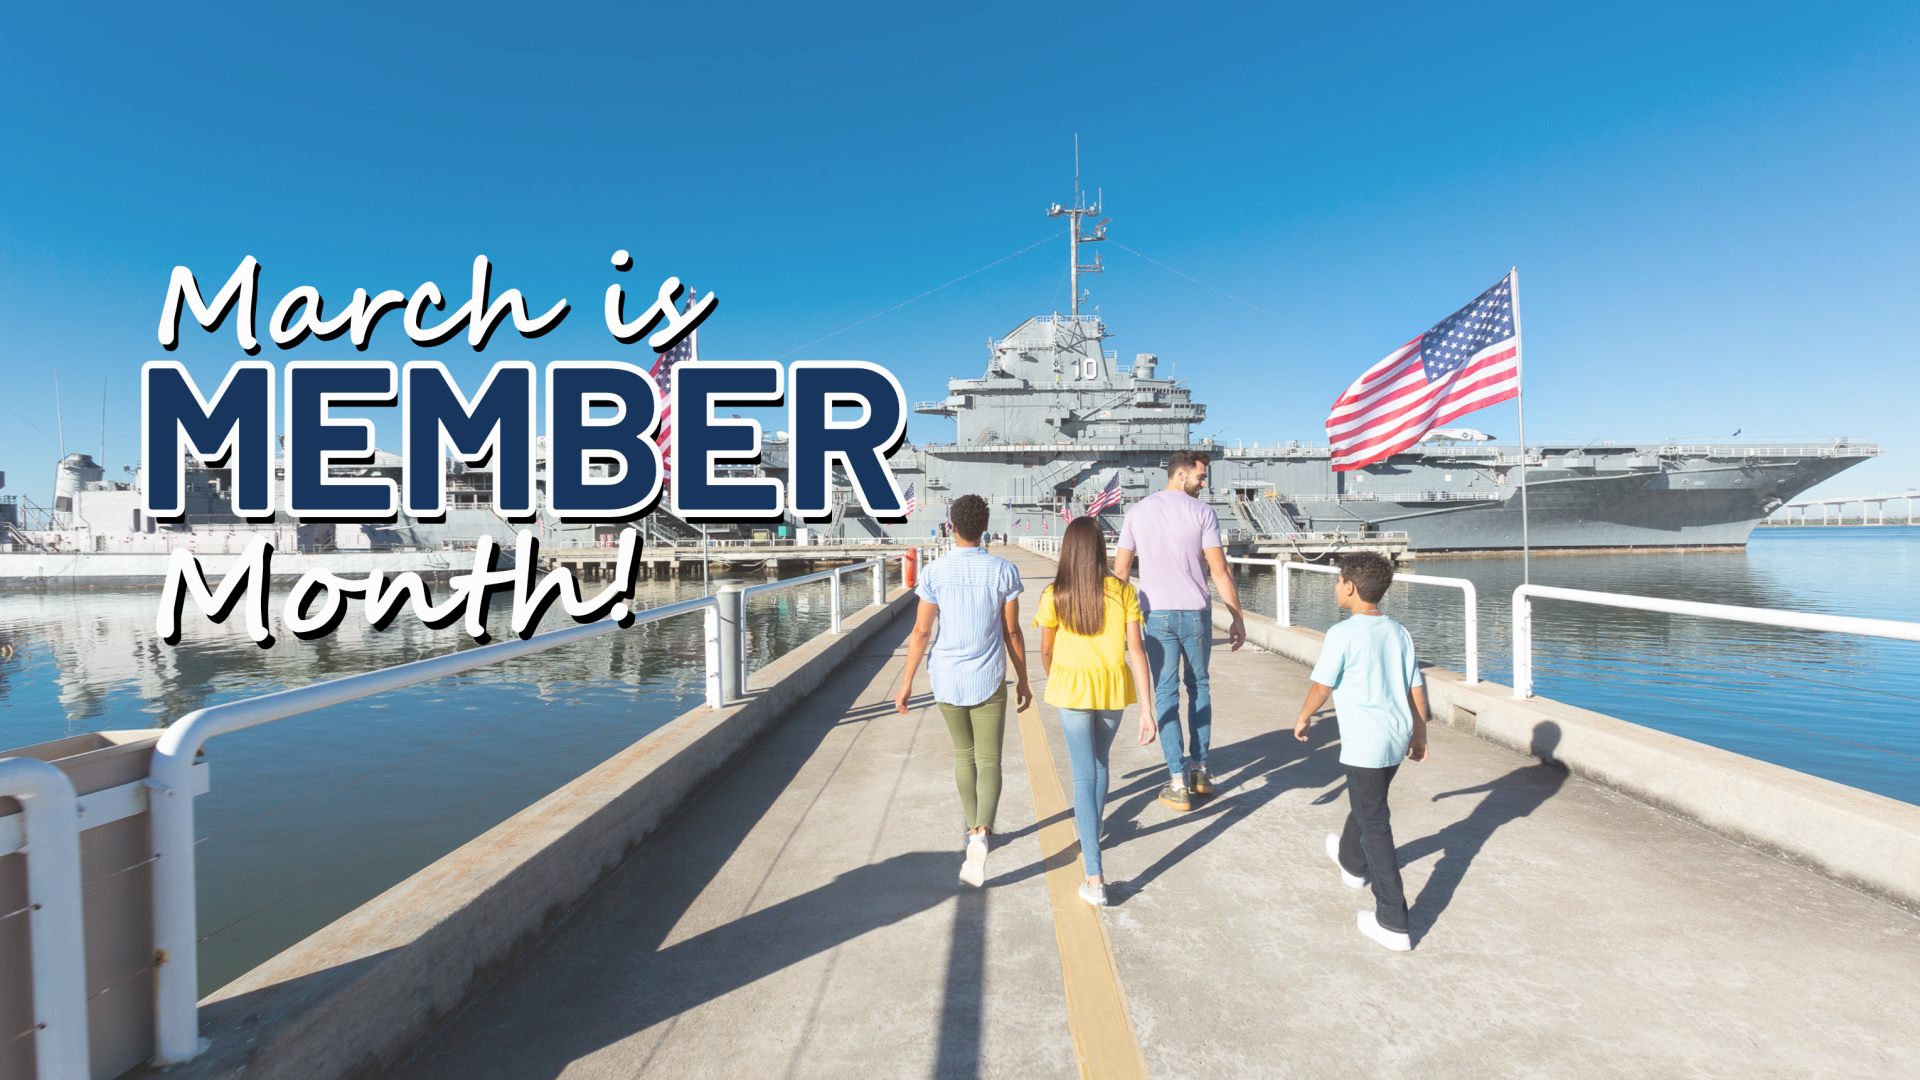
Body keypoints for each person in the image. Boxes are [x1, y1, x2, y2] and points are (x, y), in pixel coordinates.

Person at [1293, 551, 1431, 952]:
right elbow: (1415, 687)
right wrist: (1420, 732)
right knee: (1368, 802)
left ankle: (1393, 920)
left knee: (1376, 821)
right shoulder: (1398, 631)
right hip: (1395, 735)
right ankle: (1352, 863)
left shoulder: (1342, 634)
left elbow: (1323, 686)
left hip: (1364, 741)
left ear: (1350, 587)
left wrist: (1303, 717)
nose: (1336, 586)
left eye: (1338, 581)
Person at [896, 494, 1031, 887]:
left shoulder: (935, 572)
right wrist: (1022, 678)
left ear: (951, 527)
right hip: (988, 677)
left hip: (947, 678)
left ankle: (973, 830)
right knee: (989, 760)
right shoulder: (1004, 571)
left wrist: (906, 683)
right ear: (984, 527)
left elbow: (921, 631)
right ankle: (983, 834)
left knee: (963, 755)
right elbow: (1012, 632)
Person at [1113, 449, 1247, 812]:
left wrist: (1112, 621)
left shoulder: (1137, 512)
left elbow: (1121, 572)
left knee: (1166, 694)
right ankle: (1200, 770)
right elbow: (1219, 570)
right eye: (1201, 477)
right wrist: (1236, 616)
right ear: (1181, 474)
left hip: (1155, 615)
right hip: (1196, 614)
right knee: (1199, 687)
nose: (1204, 484)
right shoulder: (1203, 513)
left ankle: (1177, 781)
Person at [1034, 516, 1158, 906]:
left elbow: (1047, 650)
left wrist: (1056, 677)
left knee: (1082, 775)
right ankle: (1095, 825)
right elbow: (1136, 651)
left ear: (1069, 550)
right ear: (1100, 548)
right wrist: (1147, 710)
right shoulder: (1124, 592)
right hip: (1111, 687)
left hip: (1071, 688)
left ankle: (1095, 876)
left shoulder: (1055, 593)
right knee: (1100, 763)